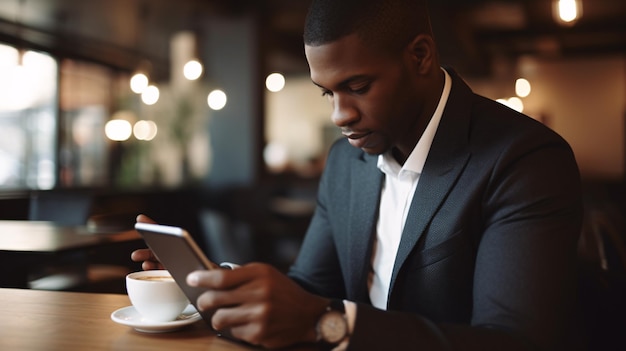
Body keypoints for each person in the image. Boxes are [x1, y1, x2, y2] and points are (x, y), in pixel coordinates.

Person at [132, 0, 584, 349]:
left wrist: (326, 323)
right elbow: (310, 289)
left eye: (357, 87)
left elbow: (513, 344)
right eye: (327, 92)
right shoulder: (346, 161)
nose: (339, 114)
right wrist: (217, 285)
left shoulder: (525, 160)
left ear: (421, 56)